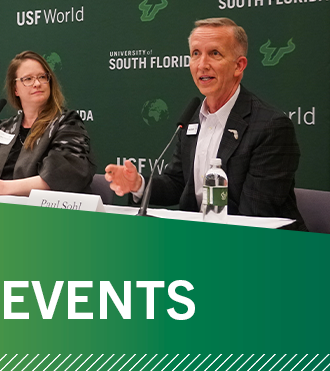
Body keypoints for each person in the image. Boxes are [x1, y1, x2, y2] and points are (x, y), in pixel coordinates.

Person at [105, 17, 306, 231]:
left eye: (214, 53)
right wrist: (138, 185)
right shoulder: (193, 119)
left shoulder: (270, 126)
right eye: (195, 54)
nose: (202, 65)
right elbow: (177, 183)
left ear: (239, 65)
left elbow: (254, 215)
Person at [0, 51, 95, 196]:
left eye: (42, 77)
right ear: (15, 89)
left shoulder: (67, 122)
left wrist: (4, 188)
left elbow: (67, 174)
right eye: (28, 79)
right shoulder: (3, 128)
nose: (37, 84)